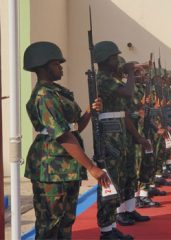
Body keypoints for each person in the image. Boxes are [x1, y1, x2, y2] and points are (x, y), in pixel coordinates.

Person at [23, 41, 111, 239]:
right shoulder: (44, 96)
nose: (61, 67)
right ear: (43, 66)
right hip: (51, 167)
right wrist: (91, 167)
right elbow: (62, 135)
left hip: (67, 166)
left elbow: (75, 127)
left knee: (65, 220)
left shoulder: (58, 92)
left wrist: (89, 111)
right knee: (50, 224)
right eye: (56, 64)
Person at [94, 41, 150, 239]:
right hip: (110, 137)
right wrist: (131, 72)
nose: (117, 61)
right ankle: (106, 229)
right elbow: (128, 93)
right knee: (111, 181)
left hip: (122, 135)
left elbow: (124, 112)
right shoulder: (102, 79)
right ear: (105, 60)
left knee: (128, 174)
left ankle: (128, 209)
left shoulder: (112, 79)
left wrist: (138, 137)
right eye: (114, 57)